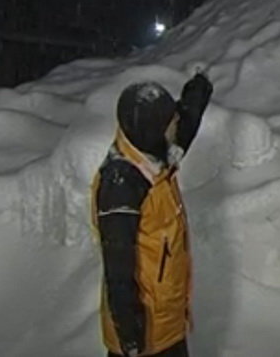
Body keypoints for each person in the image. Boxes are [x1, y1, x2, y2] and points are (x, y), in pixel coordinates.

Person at [91, 72, 214, 357]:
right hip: (143, 332)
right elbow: (117, 266)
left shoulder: (154, 154)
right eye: (169, 124)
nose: (175, 127)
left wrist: (198, 91)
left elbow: (184, 131)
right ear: (151, 131)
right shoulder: (121, 185)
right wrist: (129, 336)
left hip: (167, 321)